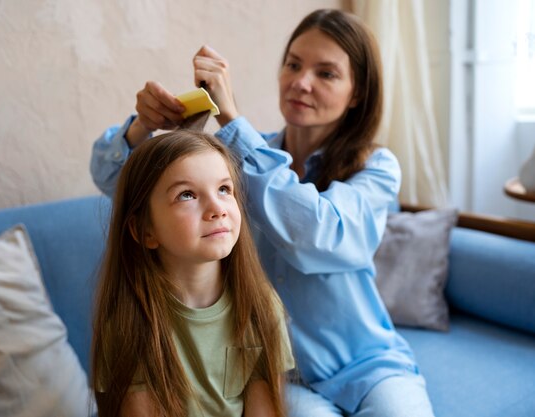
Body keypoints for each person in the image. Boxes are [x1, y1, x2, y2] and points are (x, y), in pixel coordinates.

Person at [90, 8, 435, 417]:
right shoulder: (241, 159)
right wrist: (140, 128)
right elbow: (119, 183)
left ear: (357, 93)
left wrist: (232, 120)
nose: (301, 82)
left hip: (369, 364)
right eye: (293, 64)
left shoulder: (375, 167)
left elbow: (319, 235)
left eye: (326, 73)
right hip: (278, 369)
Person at [90, 129, 295, 417]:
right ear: (145, 231)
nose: (217, 208)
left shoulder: (261, 306)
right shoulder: (128, 320)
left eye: (224, 189)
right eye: (187, 195)